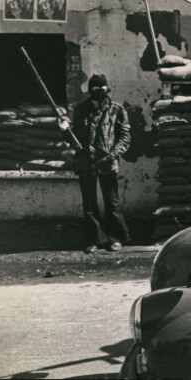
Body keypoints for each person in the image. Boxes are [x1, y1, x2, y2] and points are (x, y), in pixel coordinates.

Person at [64, 74, 131, 254]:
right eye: (96, 92)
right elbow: (73, 137)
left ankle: (115, 238)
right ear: (90, 93)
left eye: (103, 91)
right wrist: (65, 129)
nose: (100, 96)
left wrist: (113, 154)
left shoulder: (117, 110)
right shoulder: (80, 110)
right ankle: (93, 239)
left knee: (112, 202)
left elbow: (125, 136)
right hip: (85, 162)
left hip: (107, 162)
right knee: (89, 204)